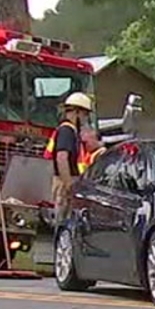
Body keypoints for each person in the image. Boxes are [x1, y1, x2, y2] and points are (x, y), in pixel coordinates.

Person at [45, 92, 94, 227]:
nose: (86, 118)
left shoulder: (69, 130)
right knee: (62, 221)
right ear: (77, 112)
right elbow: (62, 158)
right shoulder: (67, 130)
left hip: (67, 180)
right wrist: (68, 185)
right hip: (64, 181)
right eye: (85, 114)